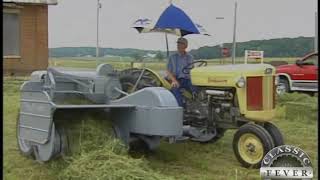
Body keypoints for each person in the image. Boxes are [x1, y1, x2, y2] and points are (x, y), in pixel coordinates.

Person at [166, 37, 197, 107]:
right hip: (175, 79)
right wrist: (174, 80)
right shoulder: (172, 57)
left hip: (187, 79)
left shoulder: (190, 57)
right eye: (178, 43)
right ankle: (180, 108)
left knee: (196, 87)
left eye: (181, 43)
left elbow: (192, 70)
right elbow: (168, 71)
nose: (179, 45)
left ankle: (197, 104)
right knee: (175, 89)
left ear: (186, 46)